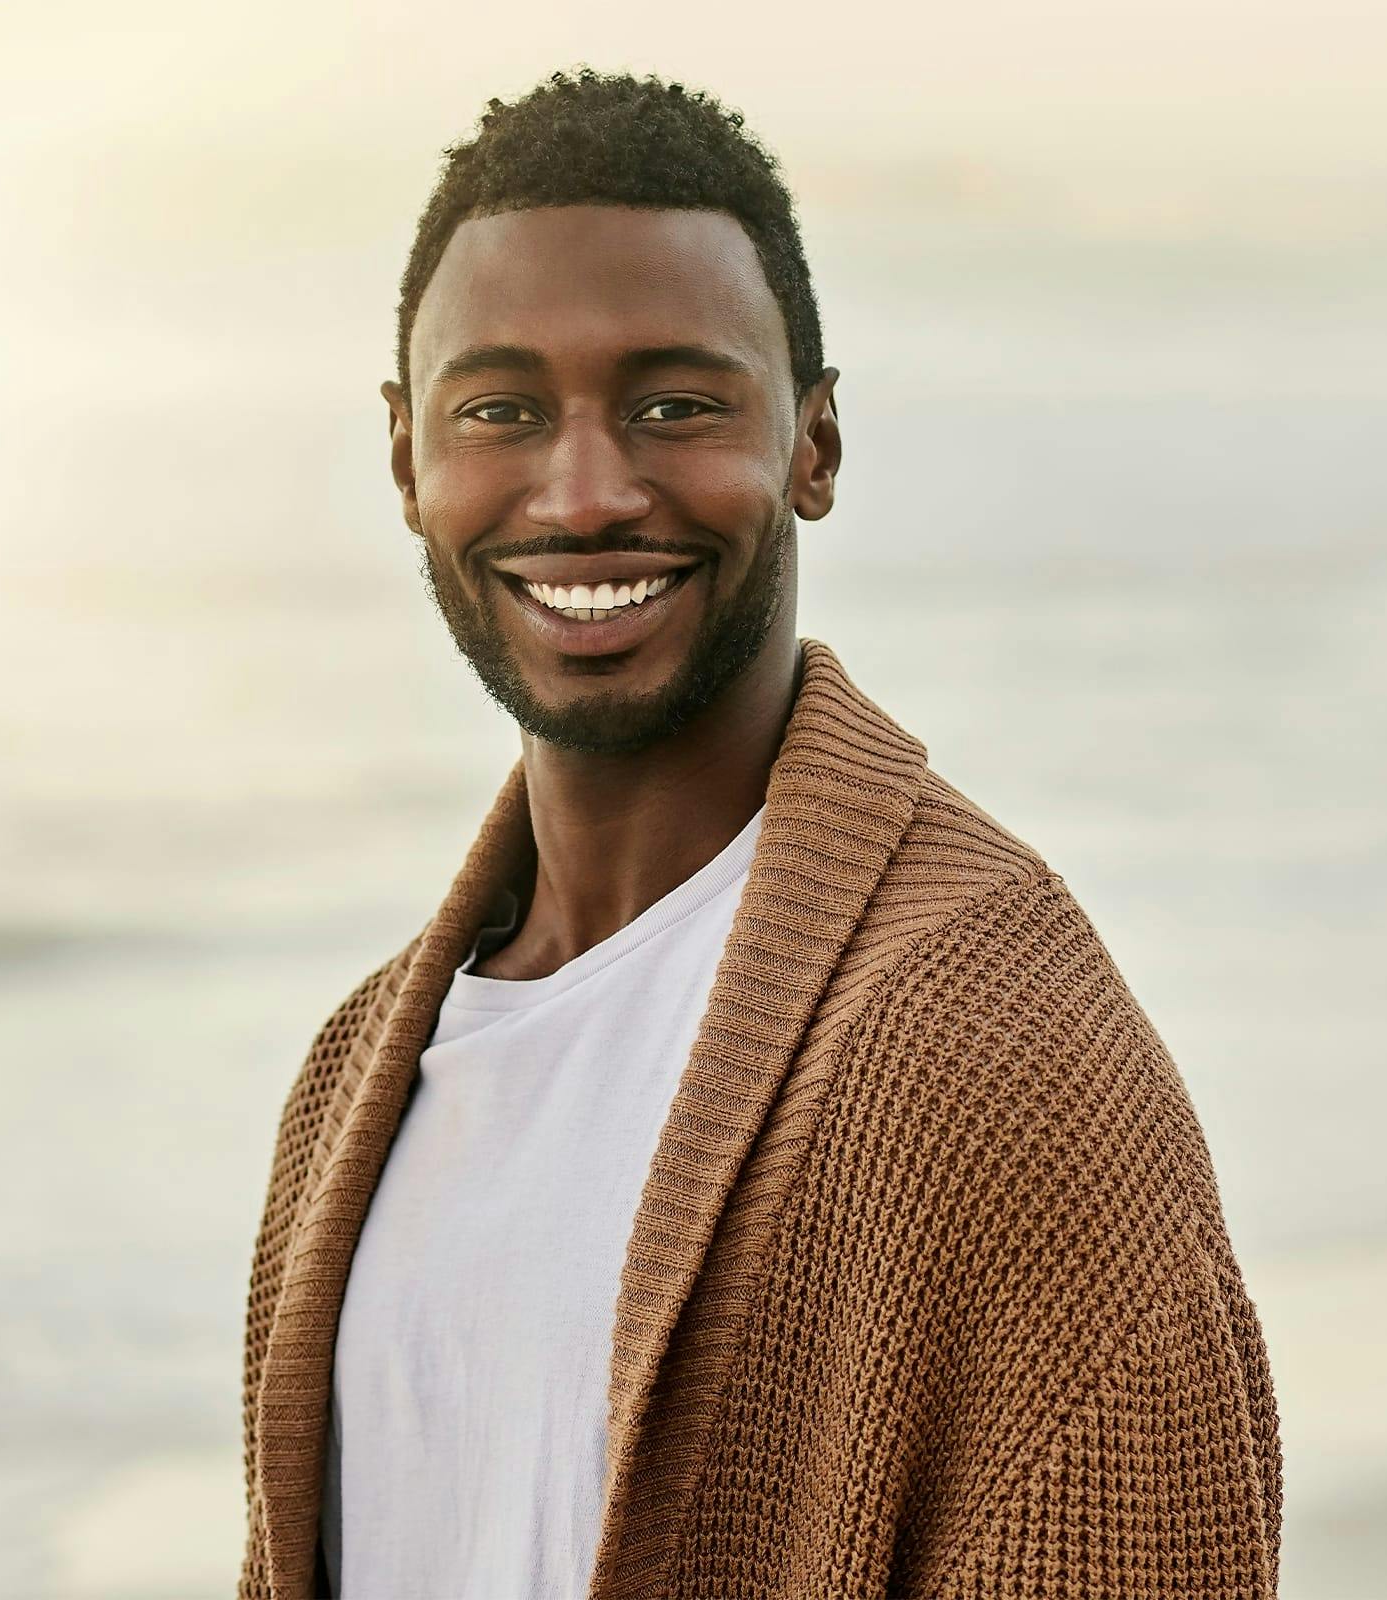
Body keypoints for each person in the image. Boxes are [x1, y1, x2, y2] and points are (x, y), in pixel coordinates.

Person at [240, 69, 1282, 1600]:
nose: (585, 491)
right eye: (500, 411)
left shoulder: (1002, 1052)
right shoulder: (352, 1084)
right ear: (407, 459)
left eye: (677, 404)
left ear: (815, 444)